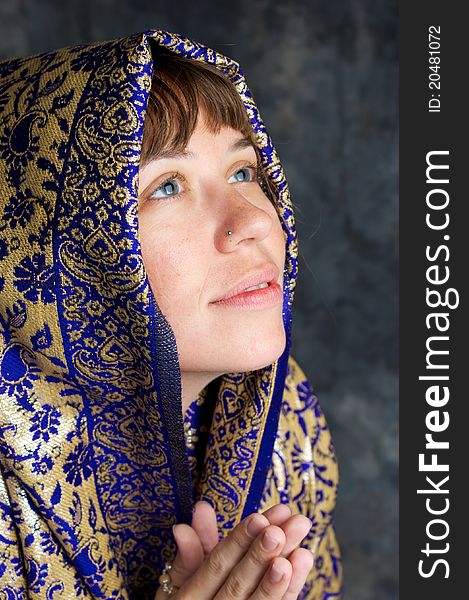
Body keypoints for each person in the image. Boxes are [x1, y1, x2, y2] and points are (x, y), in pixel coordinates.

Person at [0, 28, 343, 599]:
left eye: (243, 171)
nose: (254, 221)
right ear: (51, 254)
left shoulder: (288, 428)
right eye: (165, 186)